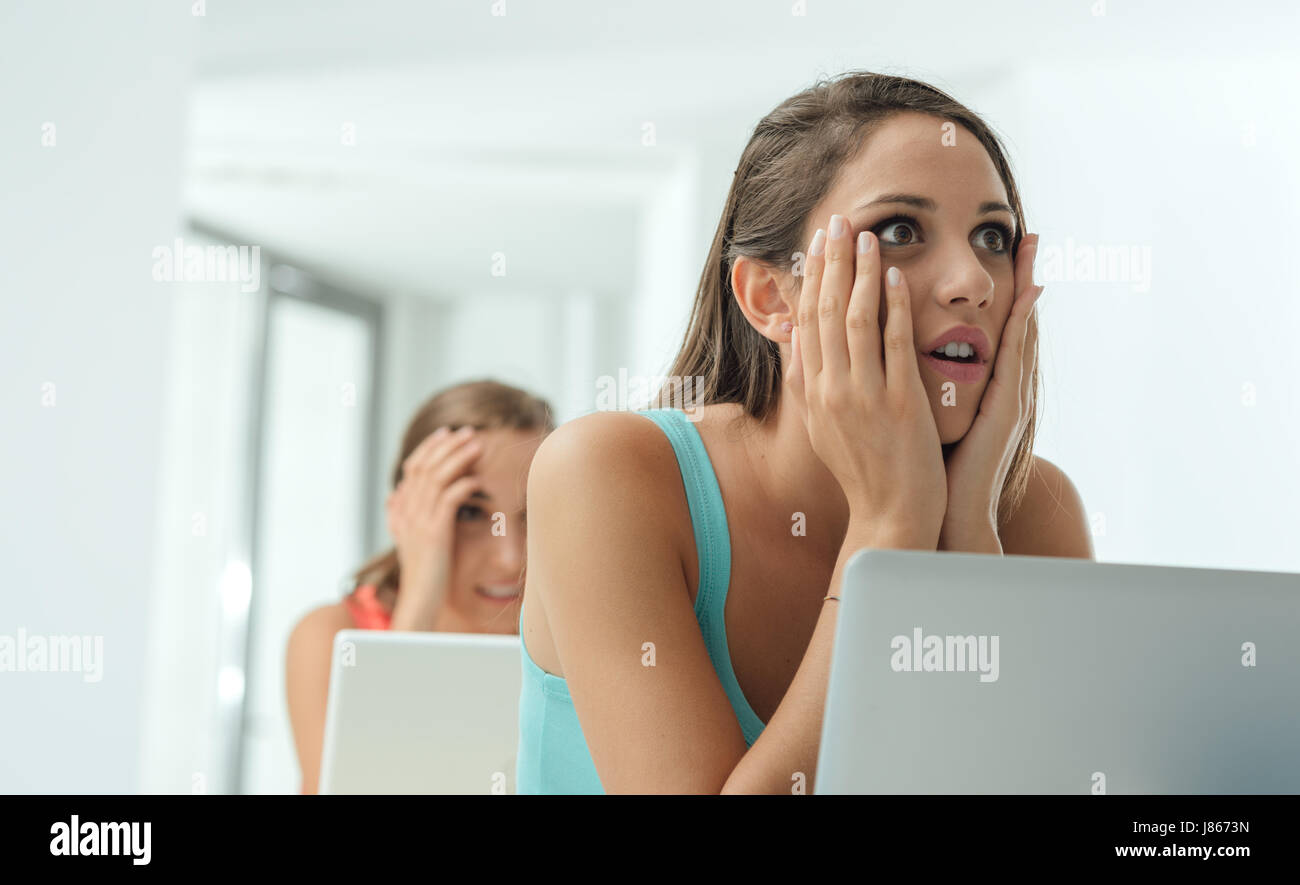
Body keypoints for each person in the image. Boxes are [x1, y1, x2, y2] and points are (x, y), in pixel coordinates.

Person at [517, 71, 1094, 794]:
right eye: (900, 231)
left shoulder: (1035, 513)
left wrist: (967, 532)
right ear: (771, 297)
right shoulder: (606, 474)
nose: (972, 280)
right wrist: (890, 526)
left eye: (992, 236)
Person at [287, 379, 554, 793]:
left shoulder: (570, 638)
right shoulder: (334, 636)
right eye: (468, 512)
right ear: (410, 513)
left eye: (531, 511)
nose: (511, 557)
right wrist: (420, 596)